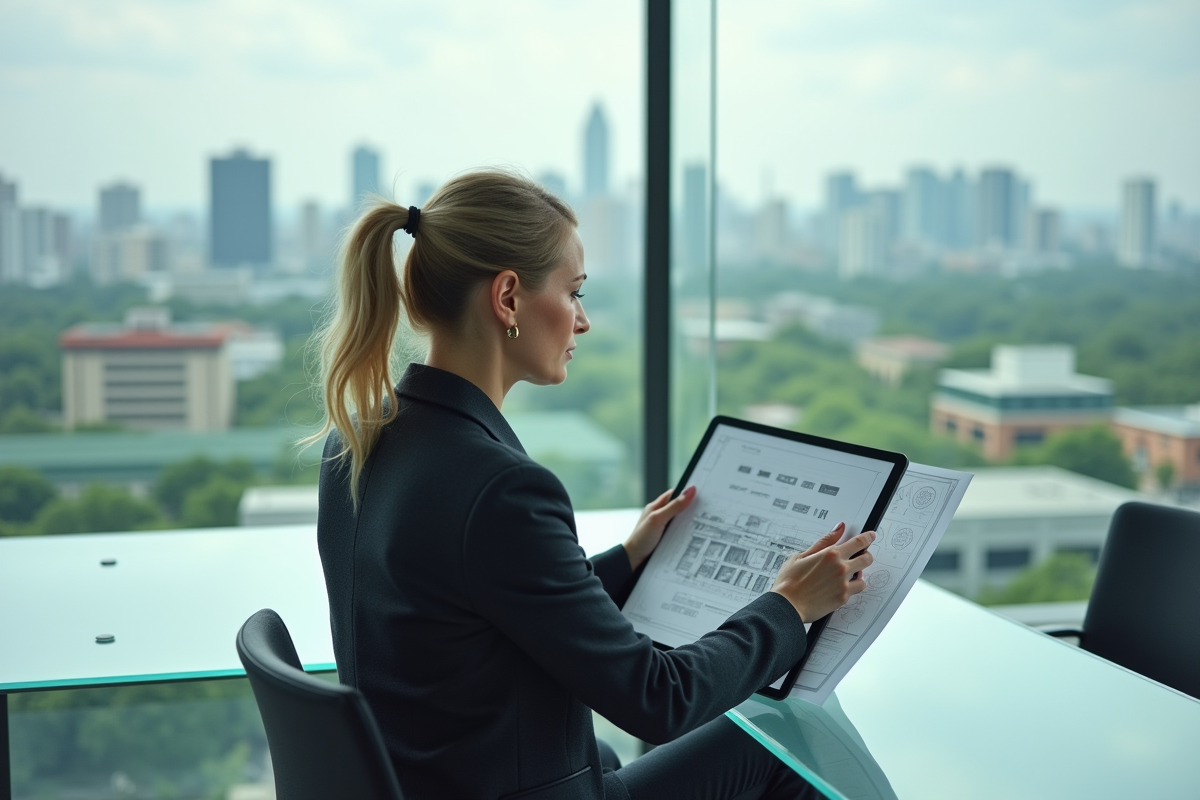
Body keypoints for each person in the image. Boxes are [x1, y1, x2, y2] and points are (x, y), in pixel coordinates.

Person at [313, 170, 876, 800]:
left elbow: (490, 604)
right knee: (779, 739)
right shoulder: (501, 489)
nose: (582, 321)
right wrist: (788, 607)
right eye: (574, 292)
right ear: (508, 298)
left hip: (424, 780)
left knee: (601, 753)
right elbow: (659, 699)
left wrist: (630, 558)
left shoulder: (357, 441)